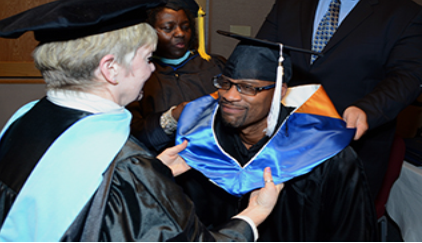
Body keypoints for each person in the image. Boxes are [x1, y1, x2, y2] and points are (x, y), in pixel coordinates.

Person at [0, 0, 283, 241]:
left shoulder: (25, 118)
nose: (151, 69)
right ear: (110, 68)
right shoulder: (129, 164)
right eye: (147, 58)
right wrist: (252, 215)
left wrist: (154, 173)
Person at [175, 32, 378, 242]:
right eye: (225, 83)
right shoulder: (202, 144)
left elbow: (352, 232)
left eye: (248, 87)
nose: (229, 95)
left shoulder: (327, 154)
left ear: (280, 91)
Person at [255, 0, 422, 201]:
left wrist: (368, 109)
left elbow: (409, 75)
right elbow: (262, 56)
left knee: (340, 228)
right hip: (281, 142)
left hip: (351, 149)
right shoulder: (290, 4)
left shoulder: (403, 12)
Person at [127, 0, 226, 155]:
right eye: (168, 28)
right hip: (163, 167)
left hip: (216, 162)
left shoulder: (215, 66)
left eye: (185, 27)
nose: (180, 33)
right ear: (148, 32)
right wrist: (171, 118)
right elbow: (134, 134)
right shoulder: (137, 75)